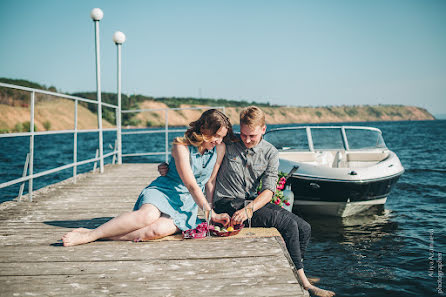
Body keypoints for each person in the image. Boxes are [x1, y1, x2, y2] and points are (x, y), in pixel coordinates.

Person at [159, 106, 335, 297]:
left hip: (250, 203)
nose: (247, 140)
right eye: (243, 135)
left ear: (263, 129)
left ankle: (297, 269)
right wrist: (170, 166)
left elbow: (269, 191)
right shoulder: (229, 143)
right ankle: (305, 283)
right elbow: (200, 145)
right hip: (226, 202)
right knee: (288, 224)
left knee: (305, 228)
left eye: (252, 135)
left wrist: (250, 209)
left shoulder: (270, 153)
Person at [62, 109, 233, 247]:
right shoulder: (181, 146)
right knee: (147, 217)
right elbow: (191, 185)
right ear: (204, 130)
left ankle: (101, 235)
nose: (219, 141)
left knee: (156, 231)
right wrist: (211, 214)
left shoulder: (220, 148)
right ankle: (91, 235)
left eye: (222, 137)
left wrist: (210, 216)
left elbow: (210, 182)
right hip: (165, 191)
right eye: (216, 136)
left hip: (187, 203)